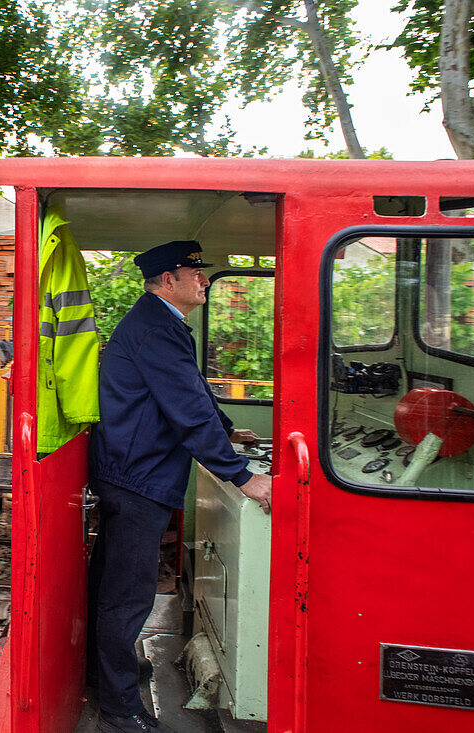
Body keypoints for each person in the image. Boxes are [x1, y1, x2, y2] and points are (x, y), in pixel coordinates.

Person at [87, 240, 273, 733]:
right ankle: (118, 708)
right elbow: (188, 410)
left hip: (133, 472)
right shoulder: (156, 330)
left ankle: (109, 673)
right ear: (168, 280)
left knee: (117, 588)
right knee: (126, 597)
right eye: (196, 272)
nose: (205, 279)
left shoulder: (161, 324)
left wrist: (228, 429)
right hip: (137, 478)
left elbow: (191, 391)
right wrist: (243, 476)